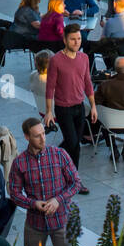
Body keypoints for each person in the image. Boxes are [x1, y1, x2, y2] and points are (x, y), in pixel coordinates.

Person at [8, 117, 82, 246]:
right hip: (35, 224)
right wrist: (33, 203)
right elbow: (14, 194)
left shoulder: (60, 155)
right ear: (27, 137)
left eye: (43, 133)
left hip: (61, 221)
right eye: (37, 136)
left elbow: (76, 183)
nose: (43, 139)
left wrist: (58, 200)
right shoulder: (19, 163)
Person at [43, 27, 96, 190]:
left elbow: (87, 82)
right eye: (73, 39)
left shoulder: (84, 58)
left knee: (74, 144)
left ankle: (72, 178)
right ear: (65, 40)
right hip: (63, 108)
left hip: (79, 107)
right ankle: (73, 180)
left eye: (79, 39)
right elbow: (50, 87)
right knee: (73, 143)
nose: (77, 42)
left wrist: (93, 106)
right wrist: (49, 111)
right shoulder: (56, 60)